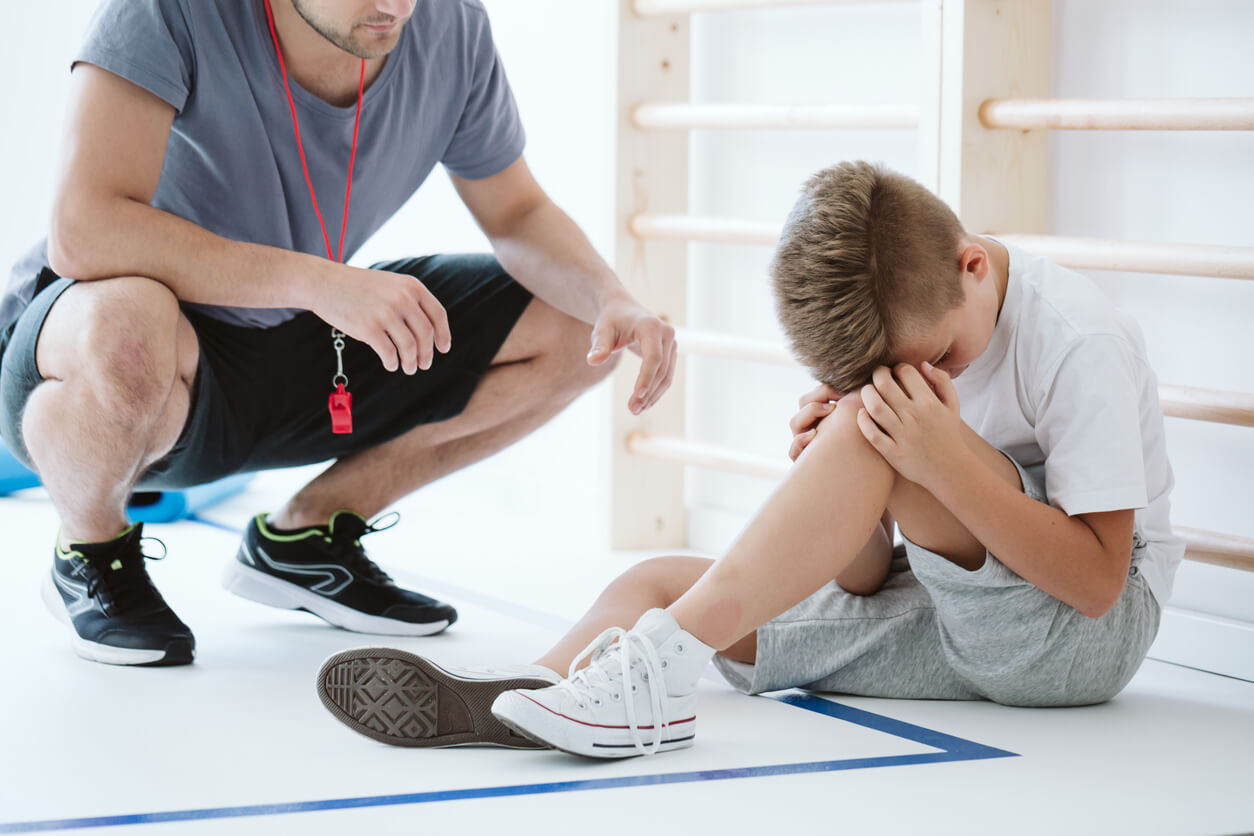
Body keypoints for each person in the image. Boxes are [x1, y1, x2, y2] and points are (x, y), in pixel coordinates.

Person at [315, 160, 1182, 757]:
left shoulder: (1078, 340)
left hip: (1077, 640)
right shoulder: (921, 348)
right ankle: (536, 694)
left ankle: (652, 678)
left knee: (873, 429)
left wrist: (932, 456)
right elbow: (864, 581)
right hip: (949, 615)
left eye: (941, 359)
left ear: (973, 265)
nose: (932, 380)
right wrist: (846, 477)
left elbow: (1100, 585)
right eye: (895, 376)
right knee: (657, 582)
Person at [3, 0, 677, 668]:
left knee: (581, 326)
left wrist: (610, 296)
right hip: (121, 356)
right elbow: (85, 230)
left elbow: (517, 211)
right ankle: (90, 550)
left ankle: (309, 537)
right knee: (127, 325)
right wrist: (318, 282)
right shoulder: (166, 11)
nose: (395, 6)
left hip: (293, 334)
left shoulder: (451, 25)